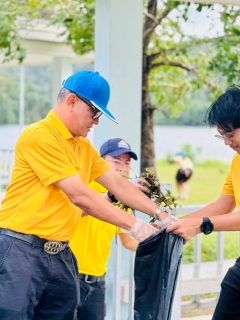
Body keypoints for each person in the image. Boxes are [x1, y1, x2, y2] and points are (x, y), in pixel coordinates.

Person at [0, 70, 170, 320]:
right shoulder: (40, 135)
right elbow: (80, 196)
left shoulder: (82, 147)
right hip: (22, 250)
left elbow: (119, 186)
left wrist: (162, 214)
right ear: (72, 102)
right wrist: (135, 225)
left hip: (61, 254)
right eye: (95, 113)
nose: (96, 121)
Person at [167, 85, 240, 320]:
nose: (227, 142)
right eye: (222, 135)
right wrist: (173, 224)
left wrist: (202, 225)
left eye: (230, 134)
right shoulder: (237, 162)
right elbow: (224, 205)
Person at [71, 137, 148, 320]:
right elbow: (79, 209)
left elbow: (128, 239)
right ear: (100, 161)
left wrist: (158, 244)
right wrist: (112, 195)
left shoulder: (122, 198)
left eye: (127, 162)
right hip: (69, 275)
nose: (122, 167)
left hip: (97, 281)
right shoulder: (85, 185)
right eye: (116, 161)